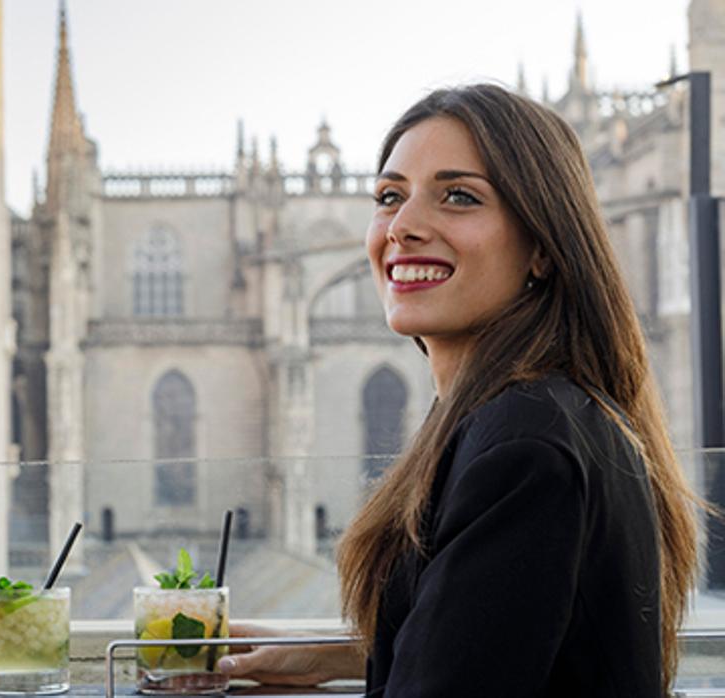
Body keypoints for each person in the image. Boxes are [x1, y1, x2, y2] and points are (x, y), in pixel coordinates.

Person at [217, 83, 700, 696]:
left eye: (459, 197)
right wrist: (333, 657)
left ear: (543, 248)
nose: (404, 226)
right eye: (390, 196)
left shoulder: (522, 447)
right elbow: (505, 642)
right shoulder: (548, 410)